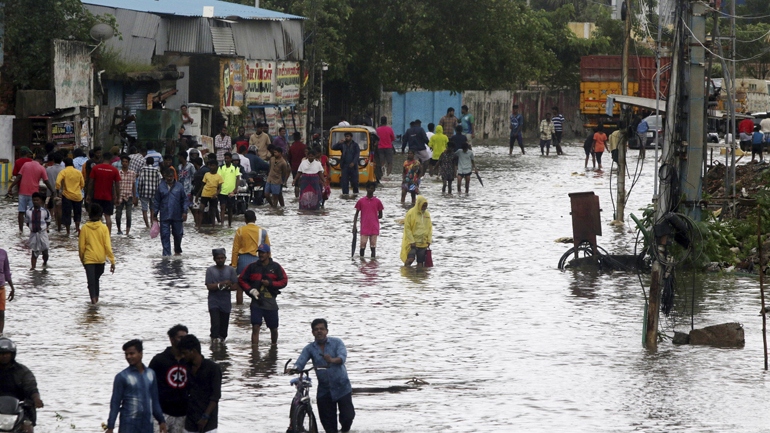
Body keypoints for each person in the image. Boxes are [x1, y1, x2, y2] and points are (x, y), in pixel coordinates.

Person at [292, 319, 354, 433]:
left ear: (327, 331)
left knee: (348, 417)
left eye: (321, 329)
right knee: (328, 424)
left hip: (342, 387)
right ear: (313, 333)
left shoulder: (337, 342)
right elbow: (301, 362)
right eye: (316, 329)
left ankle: (344, 430)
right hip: (324, 390)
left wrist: (332, 360)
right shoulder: (310, 348)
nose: (319, 331)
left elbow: (342, 358)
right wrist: (293, 369)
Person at [106, 339, 167, 433]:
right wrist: (111, 426)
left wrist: (161, 420)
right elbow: (115, 403)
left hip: (147, 425)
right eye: (126, 354)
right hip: (128, 425)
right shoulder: (122, 377)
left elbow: (154, 400)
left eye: (132, 353)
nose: (128, 357)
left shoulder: (151, 374)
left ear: (141, 353)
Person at [238, 244, 287, 346]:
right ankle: (254, 350)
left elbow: (284, 281)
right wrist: (250, 290)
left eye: (263, 252)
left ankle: (274, 347)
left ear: (268, 254)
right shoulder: (252, 266)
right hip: (256, 302)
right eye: (259, 252)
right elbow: (241, 279)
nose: (260, 254)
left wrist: (271, 284)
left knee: (273, 328)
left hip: (271, 303)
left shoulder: (276, 267)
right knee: (255, 327)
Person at [148, 325, 190, 433]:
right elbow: (148, 385)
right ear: (171, 339)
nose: (183, 340)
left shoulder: (190, 360)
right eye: (180, 337)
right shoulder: (159, 360)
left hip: (182, 413)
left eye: (185, 337)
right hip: (162, 412)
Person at [177, 335, 221, 433]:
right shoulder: (184, 367)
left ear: (193, 351)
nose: (183, 356)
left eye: (185, 353)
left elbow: (215, 396)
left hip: (209, 424)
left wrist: (205, 417)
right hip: (190, 422)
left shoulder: (213, 369)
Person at [0, 338, 43, 433]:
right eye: (1, 354)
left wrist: (36, 399)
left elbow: (31, 387)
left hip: (19, 409)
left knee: (27, 428)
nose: (4, 356)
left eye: (7, 354)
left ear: (12, 354)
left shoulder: (22, 371)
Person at [231, 210, 270, 305]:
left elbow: (235, 249)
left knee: (240, 288)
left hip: (243, 261)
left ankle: (239, 312)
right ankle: (257, 307)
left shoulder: (240, 230)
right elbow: (268, 250)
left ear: (245, 220)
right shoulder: (263, 232)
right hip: (258, 261)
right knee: (258, 287)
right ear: (255, 219)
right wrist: (269, 264)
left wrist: (233, 265)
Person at [6, 155, 54, 233]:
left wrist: (11, 187)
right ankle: (32, 229)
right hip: (34, 194)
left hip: (22, 192)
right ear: (41, 161)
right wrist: (52, 190)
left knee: (21, 212)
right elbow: (46, 181)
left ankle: (20, 230)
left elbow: (19, 177)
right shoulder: (41, 168)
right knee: (34, 212)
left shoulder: (26, 164)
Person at [79, 203, 115, 304]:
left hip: (89, 259)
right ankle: (95, 304)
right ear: (100, 215)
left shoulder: (85, 228)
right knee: (96, 280)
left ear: (89, 214)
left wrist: (82, 259)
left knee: (91, 283)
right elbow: (107, 246)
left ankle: (94, 304)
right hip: (100, 260)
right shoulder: (104, 228)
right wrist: (112, 261)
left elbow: (81, 247)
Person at [153, 169, 188, 257]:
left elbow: (184, 200)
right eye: (167, 177)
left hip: (177, 215)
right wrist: (155, 214)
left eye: (171, 176)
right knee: (164, 234)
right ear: (165, 177)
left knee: (178, 234)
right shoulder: (161, 187)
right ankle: (166, 254)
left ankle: (177, 251)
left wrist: (185, 212)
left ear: (173, 176)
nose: (169, 178)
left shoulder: (179, 186)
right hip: (164, 215)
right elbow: (156, 201)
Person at [206, 249, 238, 343]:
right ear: (214, 259)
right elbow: (209, 286)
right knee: (215, 324)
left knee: (224, 328)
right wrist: (222, 284)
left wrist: (226, 287)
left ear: (225, 258)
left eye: (222, 258)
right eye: (218, 258)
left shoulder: (230, 270)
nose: (220, 260)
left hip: (225, 302)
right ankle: (214, 344)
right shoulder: (210, 270)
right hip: (213, 302)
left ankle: (222, 348)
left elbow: (235, 286)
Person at [88, 152, 122, 234]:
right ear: (111, 160)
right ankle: (108, 235)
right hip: (108, 197)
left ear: (102, 158)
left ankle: (96, 234)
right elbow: (117, 186)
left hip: (97, 196)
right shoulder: (114, 170)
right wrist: (118, 197)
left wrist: (88, 195)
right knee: (108, 217)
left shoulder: (96, 168)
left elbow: (91, 183)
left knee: (96, 217)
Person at [56, 157, 85, 236]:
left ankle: (68, 232)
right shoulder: (78, 172)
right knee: (77, 213)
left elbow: (58, 183)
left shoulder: (63, 172)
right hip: (78, 196)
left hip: (67, 196)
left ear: (65, 164)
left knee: (67, 214)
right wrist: (77, 189)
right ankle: (77, 229)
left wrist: (58, 192)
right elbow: (82, 184)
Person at [353, 182, 383, 258]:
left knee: (373, 246)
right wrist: (354, 226)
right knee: (362, 246)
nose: (370, 189)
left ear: (374, 190)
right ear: (366, 189)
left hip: (374, 227)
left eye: (372, 188)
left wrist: (373, 218)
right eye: (369, 188)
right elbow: (356, 214)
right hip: (364, 227)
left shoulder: (378, 202)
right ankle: (362, 262)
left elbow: (380, 215)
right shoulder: (361, 201)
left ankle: (373, 263)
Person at [400, 195, 432, 267]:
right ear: (419, 204)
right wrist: (412, 241)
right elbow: (407, 228)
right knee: (410, 259)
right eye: (423, 206)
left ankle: (419, 276)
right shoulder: (411, 213)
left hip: (423, 243)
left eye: (426, 206)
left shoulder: (427, 214)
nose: (424, 208)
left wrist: (429, 240)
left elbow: (429, 228)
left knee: (420, 263)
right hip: (412, 243)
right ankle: (406, 273)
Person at [24, 193, 50, 270]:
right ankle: (33, 268)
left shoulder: (45, 211)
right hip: (33, 234)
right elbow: (27, 222)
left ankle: (45, 263)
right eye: (34, 200)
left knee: (45, 251)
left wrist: (44, 228)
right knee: (34, 251)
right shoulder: (28, 211)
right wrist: (33, 229)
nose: (35, 202)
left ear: (40, 201)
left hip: (42, 233)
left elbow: (48, 221)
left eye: (37, 200)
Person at [115, 155, 138, 236]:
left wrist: (135, 197)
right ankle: (119, 229)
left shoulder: (132, 173)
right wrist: (115, 197)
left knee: (129, 215)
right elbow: (116, 185)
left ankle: (127, 231)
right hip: (120, 196)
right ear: (121, 163)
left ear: (128, 163)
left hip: (129, 196)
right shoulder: (118, 173)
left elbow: (134, 185)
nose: (124, 163)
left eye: (126, 162)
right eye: (123, 162)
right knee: (118, 214)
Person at [216, 152, 240, 226]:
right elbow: (218, 178)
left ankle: (230, 224)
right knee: (222, 207)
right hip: (222, 191)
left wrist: (236, 189)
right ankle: (222, 224)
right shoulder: (220, 167)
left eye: (228, 158)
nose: (226, 160)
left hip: (231, 192)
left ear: (231, 159)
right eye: (225, 158)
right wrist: (218, 189)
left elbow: (238, 178)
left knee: (230, 209)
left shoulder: (235, 167)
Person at [138, 157, 163, 229]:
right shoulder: (157, 170)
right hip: (154, 193)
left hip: (144, 192)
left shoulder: (143, 170)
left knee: (144, 209)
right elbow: (160, 182)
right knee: (152, 209)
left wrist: (139, 192)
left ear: (146, 162)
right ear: (153, 163)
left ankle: (147, 225)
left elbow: (140, 182)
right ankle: (152, 223)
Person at [199, 160, 224, 229]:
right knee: (201, 210)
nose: (211, 167)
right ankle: (199, 226)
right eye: (210, 166)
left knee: (212, 212)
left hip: (213, 195)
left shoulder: (219, 176)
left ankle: (213, 227)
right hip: (205, 194)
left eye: (212, 166)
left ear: (216, 167)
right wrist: (198, 194)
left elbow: (219, 189)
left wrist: (216, 194)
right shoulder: (206, 174)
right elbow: (202, 185)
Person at [45, 153, 64, 230]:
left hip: (50, 192)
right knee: (58, 210)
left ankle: (47, 227)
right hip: (60, 193)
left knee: (48, 210)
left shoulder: (48, 169)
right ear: (61, 160)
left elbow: (45, 180)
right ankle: (59, 226)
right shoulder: (63, 170)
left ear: (53, 160)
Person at [0, 250, 15, 334]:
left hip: (1, 287)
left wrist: (12, 288)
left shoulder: (3, 253)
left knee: (1, 312)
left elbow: (7, 271)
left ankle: (1, 334)